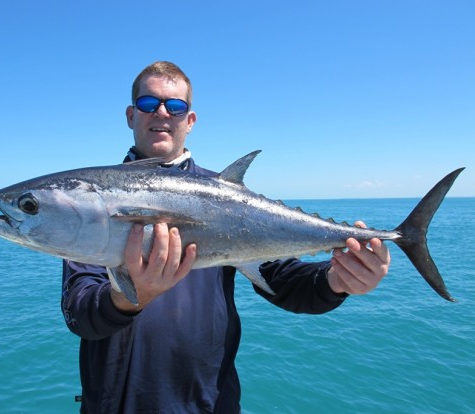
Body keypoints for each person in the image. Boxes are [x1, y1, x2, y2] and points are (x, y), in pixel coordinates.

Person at [61, 61, 390, 413]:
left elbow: (284, 281)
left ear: (189, 121)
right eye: (148, 104)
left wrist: (337, 279)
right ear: (131, 115)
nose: (161, 113)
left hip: (210, 404)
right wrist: (129, 298)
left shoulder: (223, 197)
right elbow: (80, 314)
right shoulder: (92, 202)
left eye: (175, 106)